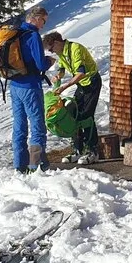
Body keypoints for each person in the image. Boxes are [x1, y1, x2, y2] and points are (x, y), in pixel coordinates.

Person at [42, 31, 101, 165]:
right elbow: (62, 69)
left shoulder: (75, 49)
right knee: (74, 113)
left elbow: (81, 72)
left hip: (91, 82)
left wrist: (66, 85)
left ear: (57, 43)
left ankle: (92, 151)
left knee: (87, 116)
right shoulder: (61, 52)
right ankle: (77, 149)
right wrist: (59, 76)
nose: (52, 52)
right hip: (81, 85)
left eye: (51, 49)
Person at [10, 5, 52, 173]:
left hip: (14, 85)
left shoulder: (16, 33)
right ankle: (35, 166)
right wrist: (49, 61)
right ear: (35, 18)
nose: (43, 25)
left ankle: (19, 165)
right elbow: (41, 64)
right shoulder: (33, 35)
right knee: (37, 125)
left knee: (19, 125)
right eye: (43, 20)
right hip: (30, 86)